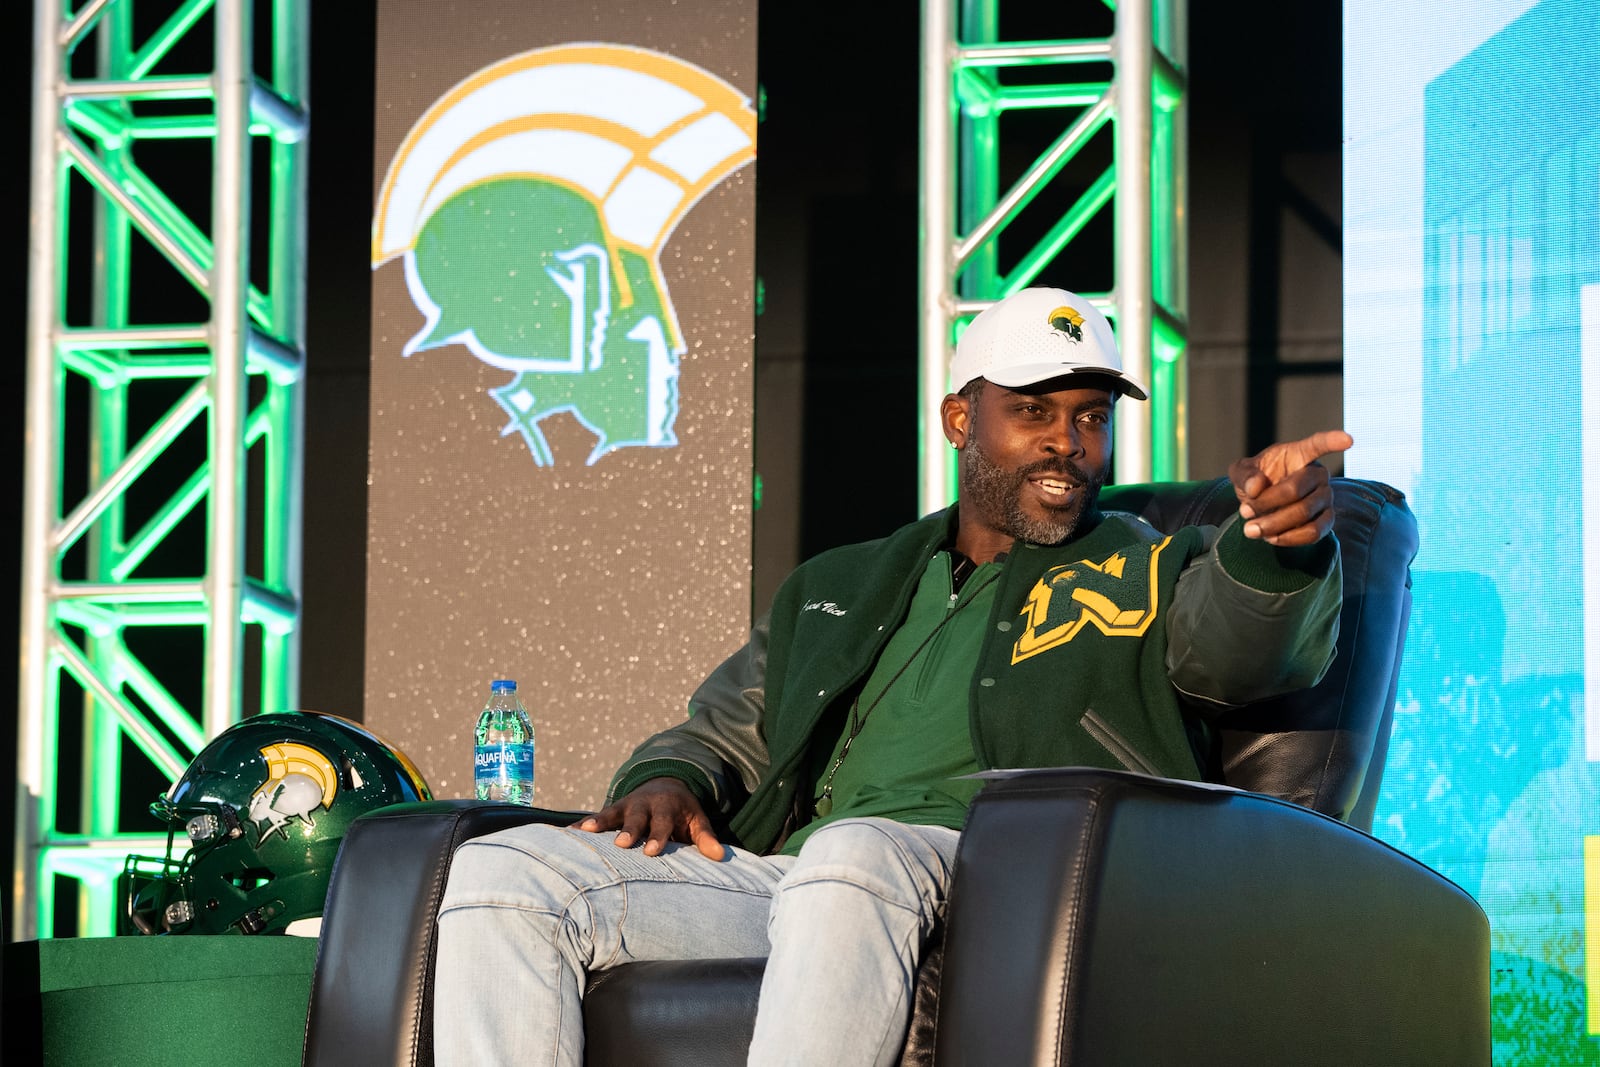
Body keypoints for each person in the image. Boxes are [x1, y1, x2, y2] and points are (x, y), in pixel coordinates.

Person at [433, 286, 1352, 1066]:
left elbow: (1244, 658)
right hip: (803, 880)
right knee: (502, 872)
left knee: (850, 853)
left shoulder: (1148, 563)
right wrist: (667, 776)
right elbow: (725, 727)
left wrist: (1278, 546)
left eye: (1089, 417)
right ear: (962, 418)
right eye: (1032, 410)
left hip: (1010, 875)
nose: (1066, 442)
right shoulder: (842, 582)